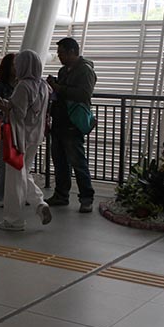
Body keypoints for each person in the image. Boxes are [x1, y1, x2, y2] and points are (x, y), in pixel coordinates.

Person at [0, 50, 51, 231]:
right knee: (23, 172)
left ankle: (13, 219)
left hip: (19, 137)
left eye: (18, 64)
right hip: (35, 136)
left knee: (14, 177)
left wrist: (4, 106)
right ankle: (39, 203)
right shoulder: (43, 85)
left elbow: (19, 113)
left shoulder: (23, 86)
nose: (16, 67)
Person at [46, 37, 97, 213]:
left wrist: (58, 88)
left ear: (72, 52)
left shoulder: (85, 70)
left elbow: (84, 94)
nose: (59, 56)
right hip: (59, 121)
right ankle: (61, 194)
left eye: (61, 53)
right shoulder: (63, 71)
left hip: (72, 124)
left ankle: (86, 198)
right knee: (59, 161)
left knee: (77, 161)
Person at [0, 53, 16, 207]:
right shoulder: (0, 86)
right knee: (3, 162)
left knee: (20, 163)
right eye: (14, 65)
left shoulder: (22, 85)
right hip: (5, 128)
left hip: (18, 129)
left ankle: (18, 193)